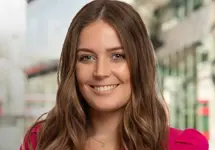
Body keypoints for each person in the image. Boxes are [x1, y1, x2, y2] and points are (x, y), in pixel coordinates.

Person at [20, 0, 209, 150]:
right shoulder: (42, 141)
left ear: (139, 63)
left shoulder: (183, 147)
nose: (100, 72)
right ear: (72, 66)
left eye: (117, 56)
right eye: (87, 57)